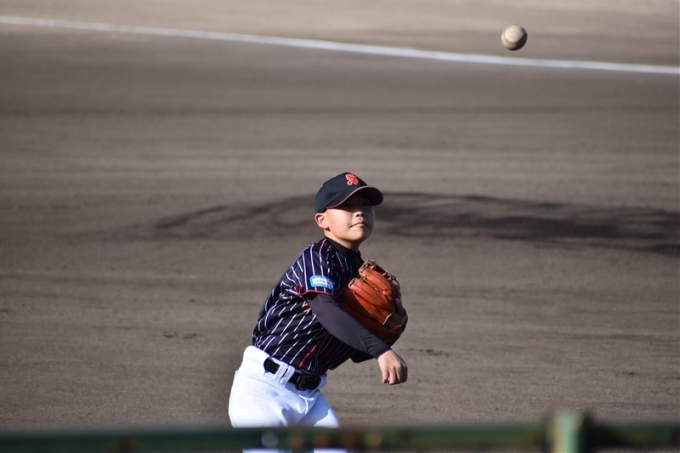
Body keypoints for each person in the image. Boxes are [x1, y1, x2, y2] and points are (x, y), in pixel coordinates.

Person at [228, 172, 408, 430]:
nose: (359, 212)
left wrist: (387, 335)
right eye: (347, 206)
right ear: (322, 220)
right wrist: (381, 350)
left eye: (365, 205)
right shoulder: (316, 257)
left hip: (310, 397)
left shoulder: (358, 271)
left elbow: (355, 352)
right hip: (264, 389)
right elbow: (326, 309)